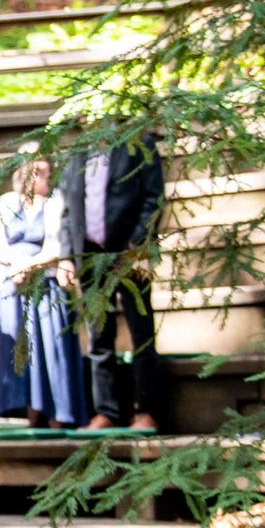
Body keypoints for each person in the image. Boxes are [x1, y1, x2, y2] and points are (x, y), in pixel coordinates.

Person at [60, 134, 166, 431]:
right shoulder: (77, 153)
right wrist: (67, 256)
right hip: (91, 256)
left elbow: (153, 197)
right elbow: (68, 210)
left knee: (141, 334)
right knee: (98, 336)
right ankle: (106, 411)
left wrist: (137, 244)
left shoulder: (139, 144)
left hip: (130, 253)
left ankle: (146, 411)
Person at [0, 155, 83, 439]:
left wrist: (29, 266)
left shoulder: (56, 204)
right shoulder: (6, 202)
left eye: (41, 172)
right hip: (11, 286)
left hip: (45, 287)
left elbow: (58, 246)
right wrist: (15, 263)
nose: (35, 177)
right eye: (30, 171)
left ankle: (56, 415)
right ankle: (23, 414)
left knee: (50, 349)